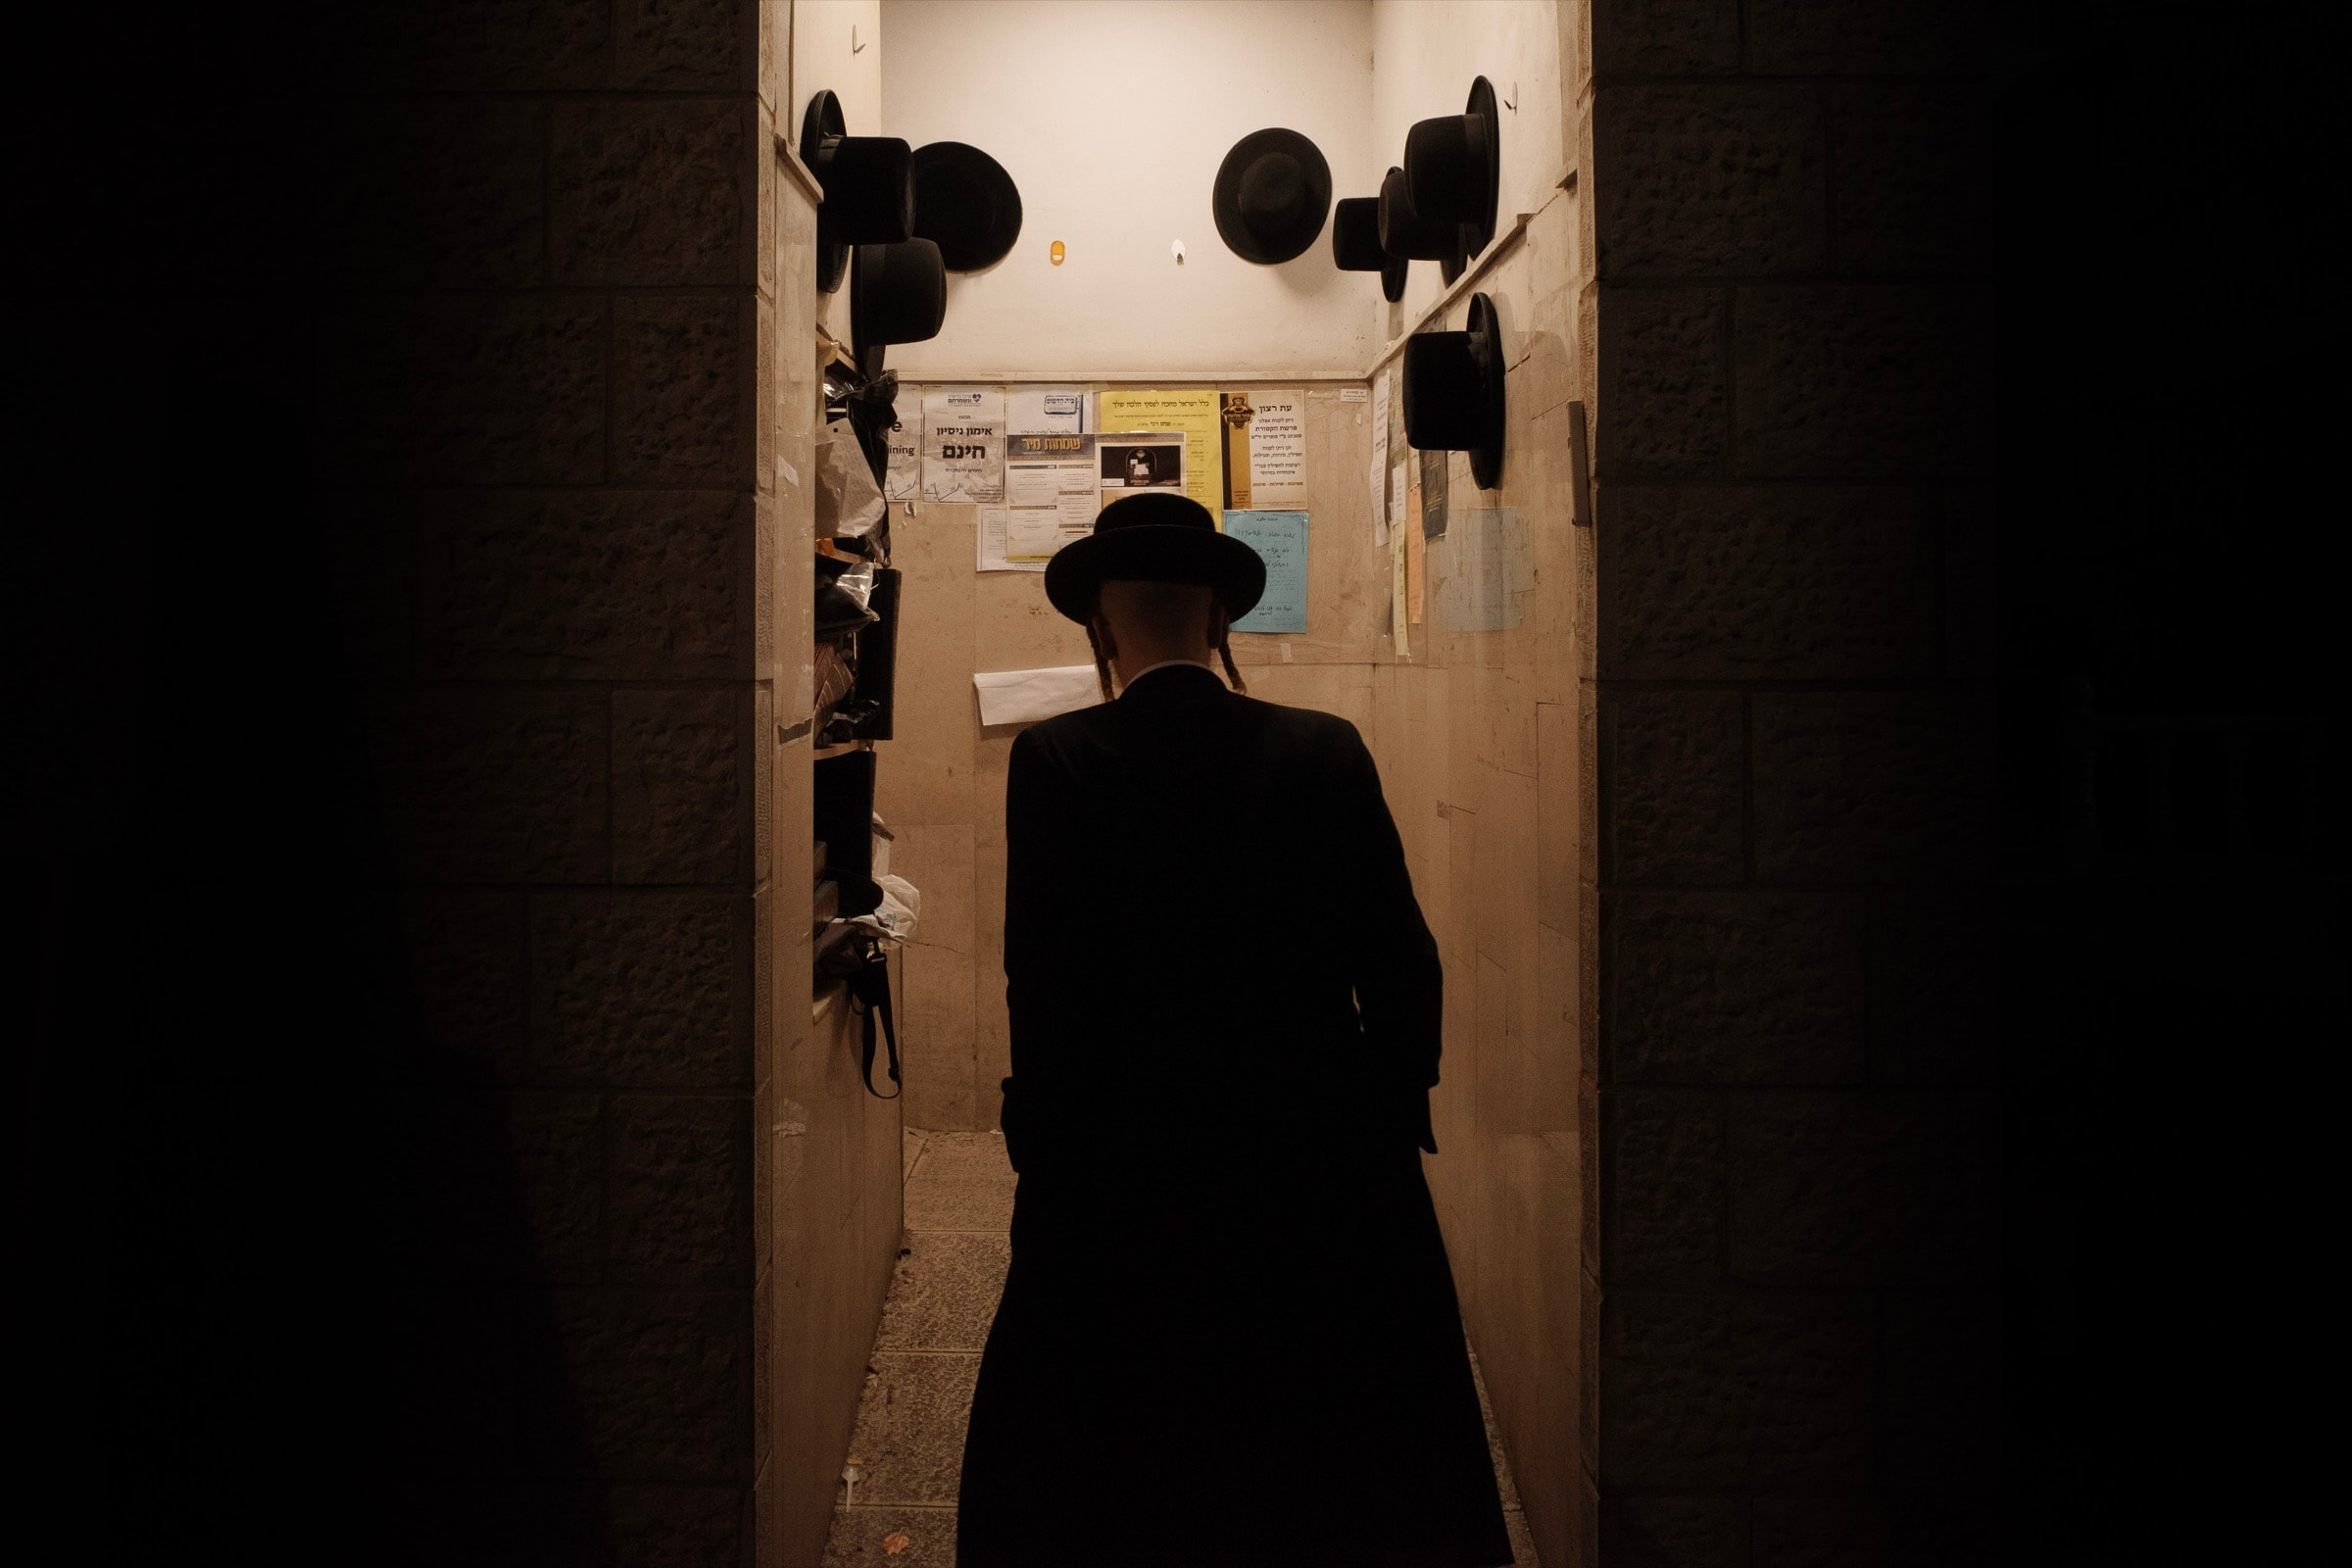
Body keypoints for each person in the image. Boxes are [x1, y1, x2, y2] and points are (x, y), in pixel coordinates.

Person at [956, 494, 1512, 1568]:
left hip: (1129, 1150)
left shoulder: (1061, 761)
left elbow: (1050, 982)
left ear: (1101, 631)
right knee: (1332, 1434)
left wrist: (1048, 1146)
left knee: (1118, 1445)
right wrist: (1394, 1105)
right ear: (1221, 622)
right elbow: (1402, 958)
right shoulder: (1325, 749)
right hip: (1318, 1139)